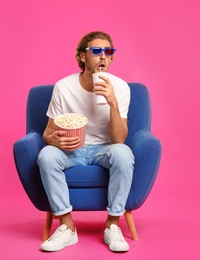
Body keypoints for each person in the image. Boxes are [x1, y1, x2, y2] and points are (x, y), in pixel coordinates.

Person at [37, 31, 135, 253]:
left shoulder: (120, 88)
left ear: (112, 58)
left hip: (105, 149)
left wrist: (113, 103)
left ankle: (112, 224)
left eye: (108, 52)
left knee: (124, 153)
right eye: (96, 51)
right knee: (46, 155)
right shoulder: (63, 87)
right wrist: (55, 140)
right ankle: (66, 227)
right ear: (82, 56)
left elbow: (119, 140)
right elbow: (47, 133)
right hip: (73, 150)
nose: (103, 56)